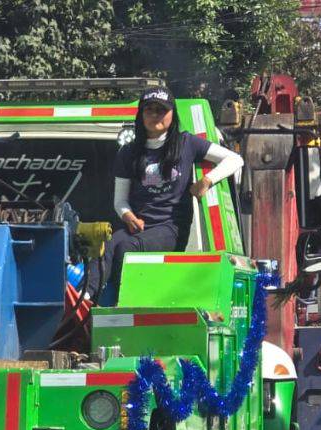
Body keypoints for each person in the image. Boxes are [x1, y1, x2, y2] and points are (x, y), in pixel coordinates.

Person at [93, 87, 244, 306]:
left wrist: (207, 181)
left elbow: (234, 160)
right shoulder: (128, 152)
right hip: (138, 225)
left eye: (161, 110)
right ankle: (85, 300)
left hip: (171, 228)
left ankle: (120, 305)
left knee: (127, 248)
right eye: (149, 110)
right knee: (107, 245)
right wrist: (129, 217)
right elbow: (120, 201)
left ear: (172, 114)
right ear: (141, 115)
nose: (155, 115)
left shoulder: (187, 143)